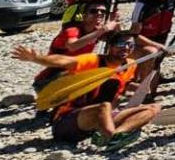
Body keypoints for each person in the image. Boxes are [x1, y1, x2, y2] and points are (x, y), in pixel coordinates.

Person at [11, 31, 160, 148]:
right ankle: (111, 137)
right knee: (105, 107)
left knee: (153, 108)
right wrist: (37, 58)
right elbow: (65, 61)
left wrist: (138, 88)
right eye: (121, 44)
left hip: (101, 121)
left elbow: (121, 85)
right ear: (110, 46)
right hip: (67, 122)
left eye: (130, 45)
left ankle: (117, 135)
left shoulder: (130, 65)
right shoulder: (93, 61)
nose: (126, 48)